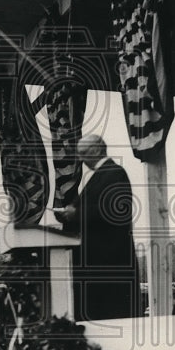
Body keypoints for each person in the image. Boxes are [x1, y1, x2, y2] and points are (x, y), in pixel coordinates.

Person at [54, 133, 140, 322]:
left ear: (97, 150)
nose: (81, 160)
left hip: (110, 267)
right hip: (99, 267)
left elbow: (115, 210)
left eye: (83, 153)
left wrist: (76, 214)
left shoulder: (115, 173)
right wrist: (67, 214)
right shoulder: (99, 177)